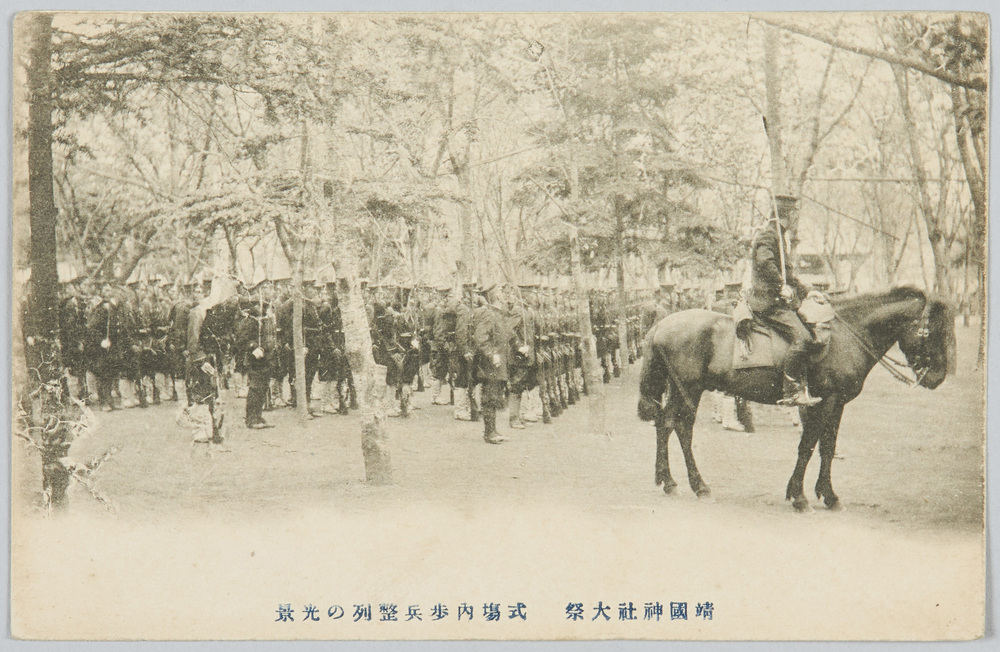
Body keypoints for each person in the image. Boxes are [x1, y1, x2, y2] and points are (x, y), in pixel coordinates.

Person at [747, 195, 821, 407]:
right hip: (768, 302)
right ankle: (790, 391)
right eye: (794, 215)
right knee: (803, 339)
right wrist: (781, 286)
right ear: (787, 216)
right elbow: (764, 262)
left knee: (811, 330)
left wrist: (808, 293)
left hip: (777, 300)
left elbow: (788, 276)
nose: (796, 221)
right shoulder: (768, 236)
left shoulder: (779, 239)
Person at [472, 284, 513, 444]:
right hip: (490, 364)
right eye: (500, 293)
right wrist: (491, 354)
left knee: (494, 396)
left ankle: (493, 430)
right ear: (494, 296)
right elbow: (481, 338)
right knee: (489, 397)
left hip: (498, 364)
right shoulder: (489, 315)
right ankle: (489, 433)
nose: (503, 295)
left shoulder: (498, 314)